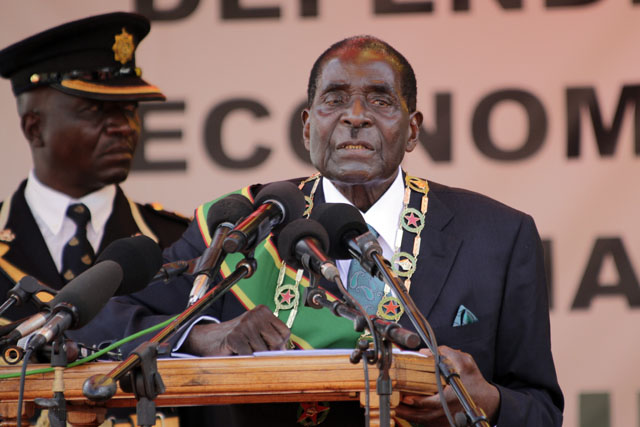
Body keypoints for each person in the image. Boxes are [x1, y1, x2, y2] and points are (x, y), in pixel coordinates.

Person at [80, 35, 564, 426]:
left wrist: (487, 402)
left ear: (412, 130)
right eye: (335, 100)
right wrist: (204, 336)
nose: (356, 116)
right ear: (308, 126)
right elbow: (101, 323)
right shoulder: (245, 224)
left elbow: (541, 409)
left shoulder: (497, 237)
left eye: (380, 100)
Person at [0, 12, 190, 323]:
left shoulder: (175, 243)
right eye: (94, 111)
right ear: (34, 128)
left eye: (129, 110)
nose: (123, 127)